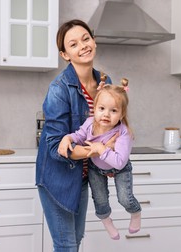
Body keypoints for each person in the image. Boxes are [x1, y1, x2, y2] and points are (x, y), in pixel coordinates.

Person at [35, 19, 114, 252]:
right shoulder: (59, 88)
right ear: (65, 54)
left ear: (94, 41)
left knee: (76, 241)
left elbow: (108, 127)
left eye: (86, 38)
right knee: (66, 245)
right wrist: (96, 150)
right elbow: (53, 147)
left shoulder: (105, 82)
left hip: (82, 176)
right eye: (73, 44)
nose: (83, 46)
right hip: (57, 177)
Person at [58, 78, 142, 240]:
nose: (106, 114)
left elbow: (119, 162)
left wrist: (100, 148)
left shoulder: (124, 132)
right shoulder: (90, 123)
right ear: (94, 109)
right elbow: (79, 136)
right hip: (96, 168)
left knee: (125, 199)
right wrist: (67, 138)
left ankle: (136, 213)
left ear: (122, 114)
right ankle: (106, 221)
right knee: (100, 200)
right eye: (102, 108)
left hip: (120, 168)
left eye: (113, 111)